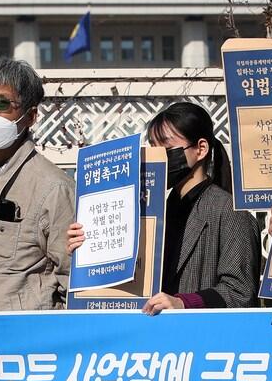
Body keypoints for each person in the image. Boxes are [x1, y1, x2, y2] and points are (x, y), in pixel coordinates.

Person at [69, 101, 261, 313]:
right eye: (153, 148)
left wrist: (183, 302)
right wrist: (88, 246)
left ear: (201, 149)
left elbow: (240, 292)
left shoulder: (229, 211)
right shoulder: (152, 209)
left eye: (167, 149)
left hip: (200, 339)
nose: (158, 156)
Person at [0, 58, 75, 310]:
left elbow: (71, 276)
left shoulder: (53, 187)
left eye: (2, 104)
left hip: (24, 338)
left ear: (30, 116)